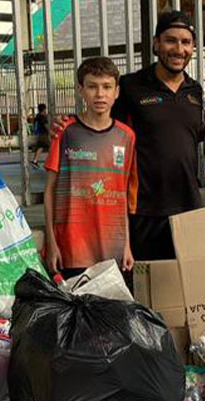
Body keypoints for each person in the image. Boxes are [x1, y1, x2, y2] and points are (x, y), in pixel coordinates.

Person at [106, 10, 205, 260]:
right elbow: (103, 128)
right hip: (145, 209)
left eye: (185, 42)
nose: (178, 49)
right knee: (147, 290)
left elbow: (189, 135)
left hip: (189, 206)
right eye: (171, 40)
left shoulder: (195, 90)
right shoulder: (130, 87)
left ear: (192, 47)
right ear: (156, 43)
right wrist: (67, 125)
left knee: (185, 288)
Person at [42, 57, 137, 280]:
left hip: (112, 247)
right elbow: (50, 190)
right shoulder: (65, 131)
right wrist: (51, 242)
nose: (100, 94)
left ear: (117, 91)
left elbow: (122, 193)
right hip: (71, 247)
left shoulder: (126, 137)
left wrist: (126, 244)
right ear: (80, 90)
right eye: (92, 87)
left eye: (107, 87)